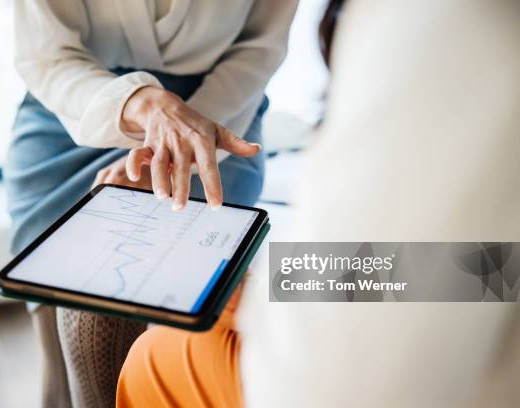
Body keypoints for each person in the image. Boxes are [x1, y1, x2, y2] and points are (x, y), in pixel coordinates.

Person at [117, 0, 520, 406]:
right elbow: (488, 270)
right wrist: (275, 285)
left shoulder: (447, 26)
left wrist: (253, 299)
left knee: (158, 356)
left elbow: (326, 382)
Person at [3, 0, 297, 406]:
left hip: (219, 111)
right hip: (75, 103)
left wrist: (178, 147)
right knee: (57, 309)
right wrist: (142, 104)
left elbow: (259, 48)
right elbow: (43, 52)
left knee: (151, 298)